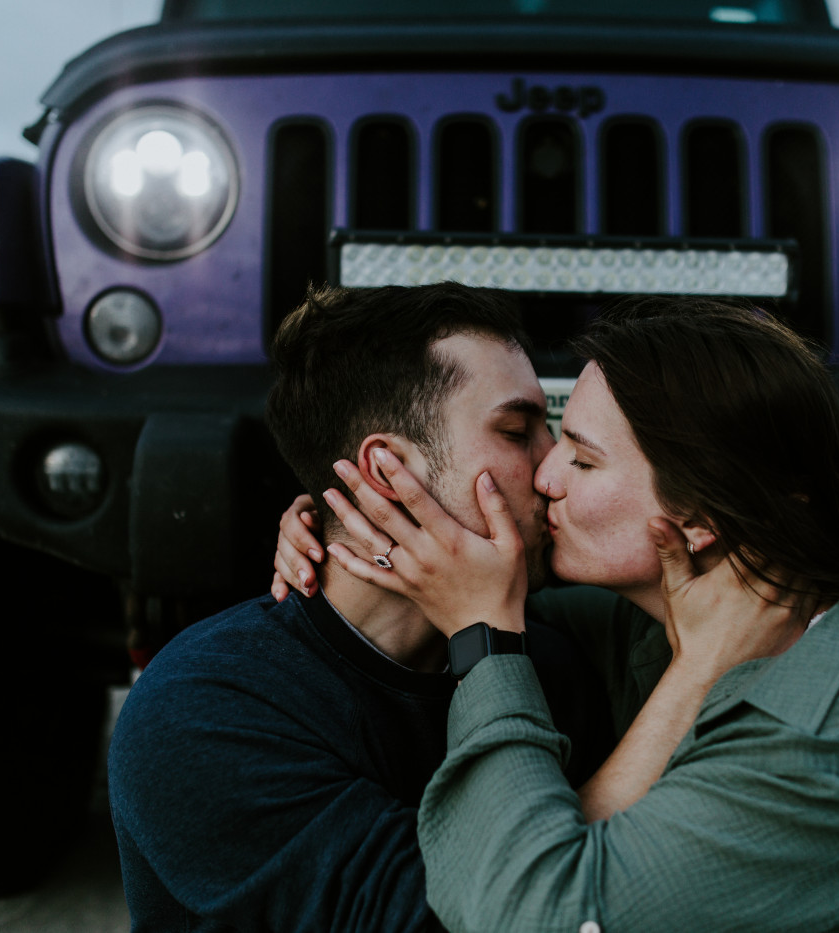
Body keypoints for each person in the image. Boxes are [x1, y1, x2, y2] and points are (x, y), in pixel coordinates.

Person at [276, 295, 839, 932]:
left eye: (583, 460)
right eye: (544, 436)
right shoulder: (687, 619)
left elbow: (537, 917)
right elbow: (460, 580)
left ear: (701, 519)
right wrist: (340, 523)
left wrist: (484, 640)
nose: (547, 475)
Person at [106, 283, 613, 933]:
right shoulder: (205, 708)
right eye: (518, 431)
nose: (552, 472)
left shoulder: (552, 664)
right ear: (385, 473)